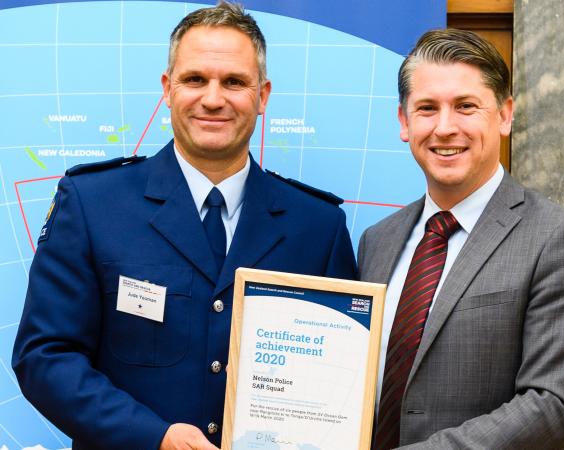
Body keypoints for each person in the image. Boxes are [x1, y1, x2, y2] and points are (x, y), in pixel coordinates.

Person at [12, 3, 356, 449]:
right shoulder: (93, 204)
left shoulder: (319, 225)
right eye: (195, 79)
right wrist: (154, 437)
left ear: (263, 95)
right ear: (167, 89)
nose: (213, 98)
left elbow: (339, 382)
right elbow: (45, 357)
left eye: (234, 81)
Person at [359, 29, 564, 449]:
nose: (445, 127)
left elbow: (552, 406)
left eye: (466, 107)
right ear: (404, 122)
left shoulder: (561, 239)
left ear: (505, 115)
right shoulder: (377, 241)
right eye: (427, 108)